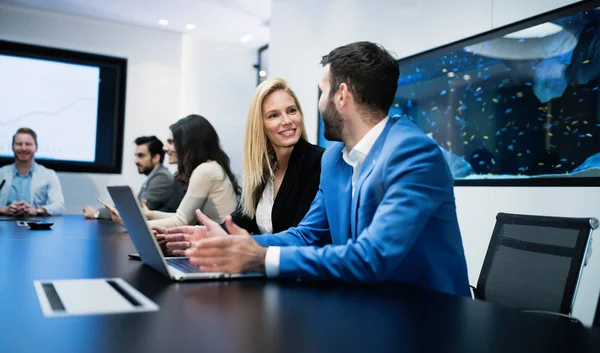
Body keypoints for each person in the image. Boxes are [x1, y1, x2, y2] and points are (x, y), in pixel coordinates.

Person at [165, 42, 470, 297]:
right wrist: (233, 244)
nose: (319, 103)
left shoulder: (414, 154)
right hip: (366, 306)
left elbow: (371, 258)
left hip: (427, 319)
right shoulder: (335, 157)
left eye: (321, 92)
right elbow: (307, 235)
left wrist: (262, 257)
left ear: (341, 96)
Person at [108, 115, 240, 228]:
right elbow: (183, 217)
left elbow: (182, 221)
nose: (165, 148)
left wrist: (133, 224)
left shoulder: (205, 170)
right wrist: (150, 214)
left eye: (171, 142)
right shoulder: (209, 168)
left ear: (188, 144)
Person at [231, 77, 324, 234]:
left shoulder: (318, 162)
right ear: (260, 125)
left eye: (291, 111)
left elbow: (302, 237)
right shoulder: (264, 168)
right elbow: (240, 221)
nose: (286, 120)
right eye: (273, 115)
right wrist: (205, 235)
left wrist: (245, 243)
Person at [83, 136, 177, 219]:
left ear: (156, 157)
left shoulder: (162, 177)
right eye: (136, 156)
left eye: (141, 156)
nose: (136, 161)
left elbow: (135, 210)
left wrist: (97, 213)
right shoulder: (155, 176)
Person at [0, 127, 64, 216]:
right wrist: (5, 209)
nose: (23, 148)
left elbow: (59, 206)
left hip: (35, 227)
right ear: (12, 147)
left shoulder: (48, 175)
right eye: (19, 144)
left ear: (36, 147)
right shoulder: (1, 173)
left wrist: (36, 210)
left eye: (28, 144)